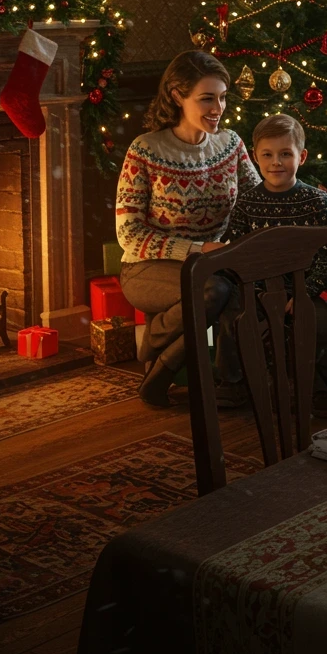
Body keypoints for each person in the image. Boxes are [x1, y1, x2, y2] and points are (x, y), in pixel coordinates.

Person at [116, 50, 260, 406]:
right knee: (213, 290)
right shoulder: (146, 150)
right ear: (178, 96)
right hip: (145, 269)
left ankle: (230, 385)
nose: (218, 108)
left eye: (223, 97)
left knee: (229, 288)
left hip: (210, 262)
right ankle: (159, 359)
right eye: (207, 98)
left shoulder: (231, 145)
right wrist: (197, 250)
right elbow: (129, 233)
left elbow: (257, 201)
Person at [220, 113, 327, 417]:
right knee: (231, 319)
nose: (276, 162)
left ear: (301, 157)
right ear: (255, 157)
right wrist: (250, 289)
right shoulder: (248, 204)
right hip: (256, 291)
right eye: (268, 155)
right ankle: (231, 385)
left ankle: (323, 391)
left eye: (285, 154)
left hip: (301, 291)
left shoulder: (316, 202)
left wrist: (304, 292)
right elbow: (233, 250)